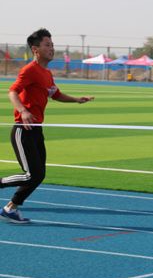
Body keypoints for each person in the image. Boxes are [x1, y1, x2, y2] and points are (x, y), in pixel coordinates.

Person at [1, 28, 94, 224]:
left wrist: (77, 99)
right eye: (47, 45)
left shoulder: (47, 73)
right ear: (35, 49)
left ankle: (10, 208)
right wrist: (23, 110)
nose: (52, 48)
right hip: (23, 129)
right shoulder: (29, 70)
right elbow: (12, 92)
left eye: (52, 45)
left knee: (39, 175)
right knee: (31, 175)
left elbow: (55, 94)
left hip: (36, 130)